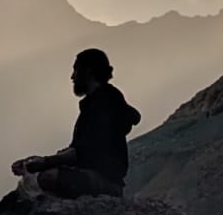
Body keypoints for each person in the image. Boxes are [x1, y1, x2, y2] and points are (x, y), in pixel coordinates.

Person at [12, 48, 141, 199]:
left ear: (88, 72)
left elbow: (80, 152)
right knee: (38, 178)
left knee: (46, 178)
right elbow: (78, 149)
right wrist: (38, 162)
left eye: (76, 70)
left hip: (104, 182)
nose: (72, 76)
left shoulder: (103, 104)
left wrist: (45, 162)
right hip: (95, 175)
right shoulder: (98, 102)